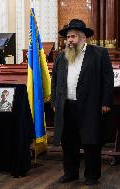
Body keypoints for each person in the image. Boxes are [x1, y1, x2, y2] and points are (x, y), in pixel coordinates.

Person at [51, 19, 114, 185]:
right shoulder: (61, 56)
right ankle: (70, 173)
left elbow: (108, 80)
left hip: (90, 106)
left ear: (83, 37)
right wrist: (55, 102)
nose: (69, 40)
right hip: (67, 106)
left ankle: (92, 175)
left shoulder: (99, 53)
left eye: (73, 36)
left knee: (90, 141)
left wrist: (106, 102)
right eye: (67, 37)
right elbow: (55, 81)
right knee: (68, 142)